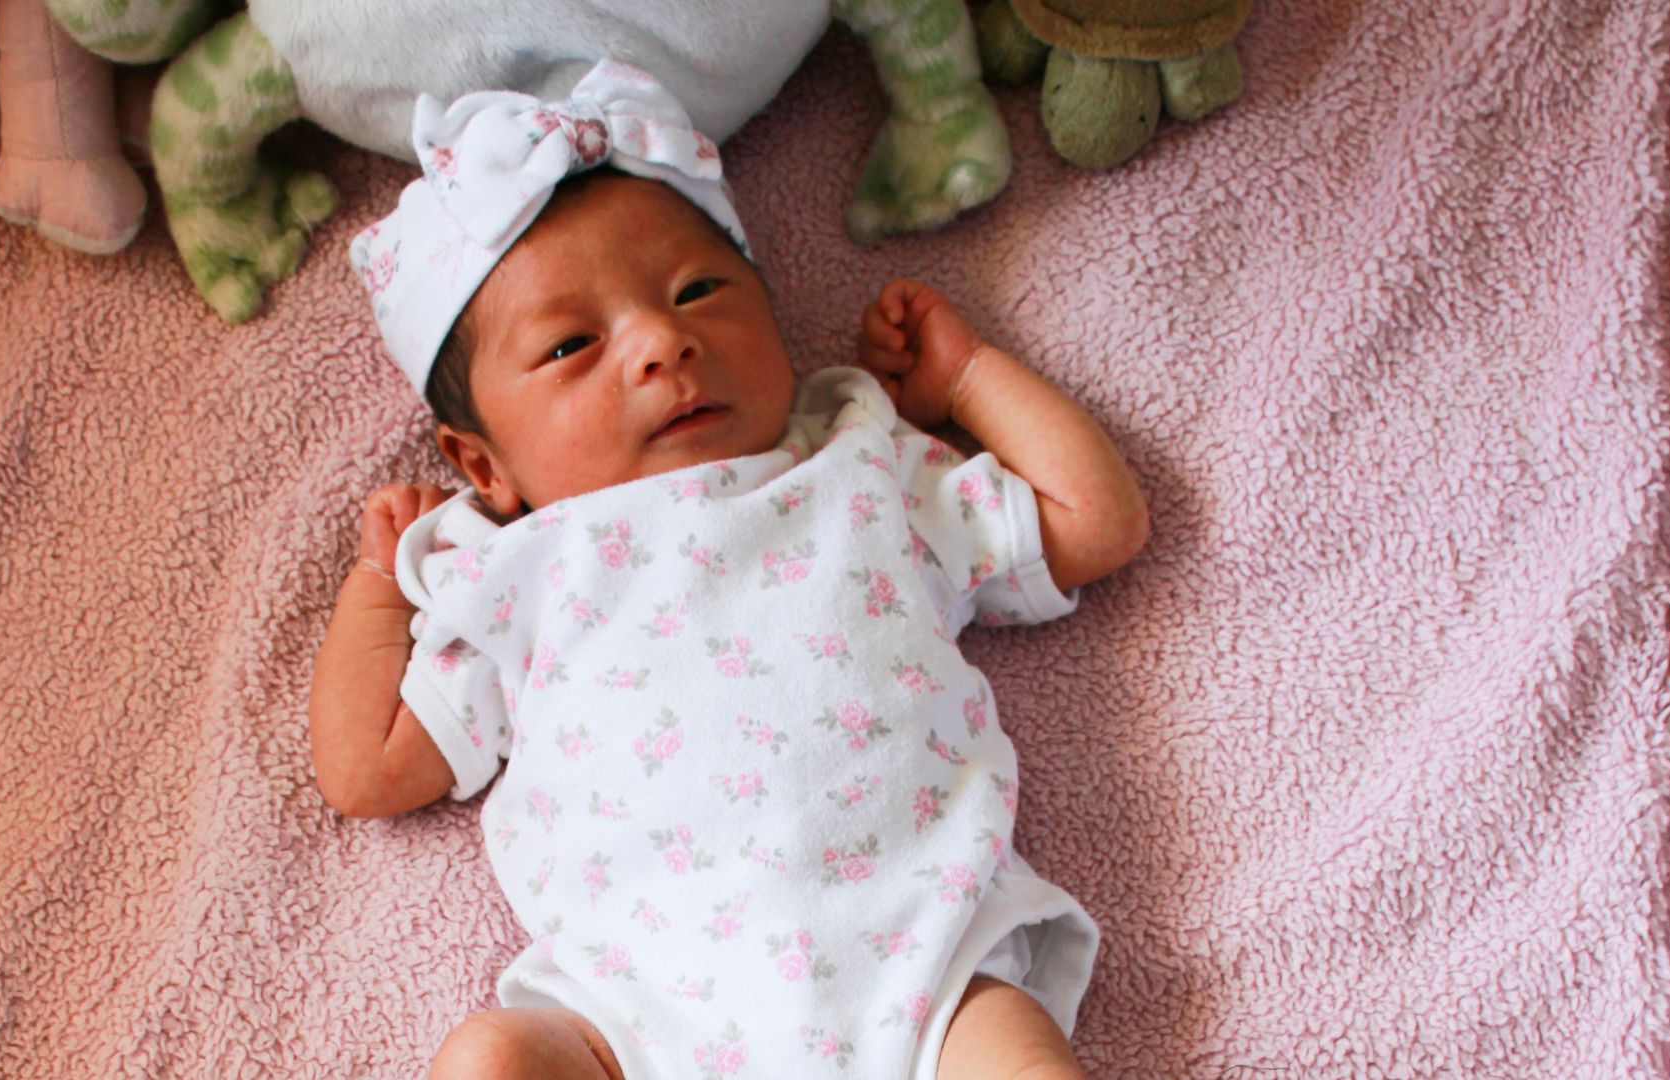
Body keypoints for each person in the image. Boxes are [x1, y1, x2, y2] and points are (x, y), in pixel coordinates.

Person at [315, 60, 1147, 1080]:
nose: (664, 343)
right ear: (484, 465)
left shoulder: (857, 466)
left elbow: (1096, 521)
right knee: (489, 1060)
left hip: (917, 962)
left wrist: (968, 379)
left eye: (699, 291)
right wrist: (374, 587)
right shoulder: (510, 572)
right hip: (636, 1013)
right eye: (574, 344)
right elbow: (368, 769)